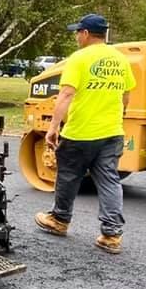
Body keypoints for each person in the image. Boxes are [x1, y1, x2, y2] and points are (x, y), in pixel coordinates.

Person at [34, 14, 136, 254]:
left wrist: (52, 127)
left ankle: (59, 220)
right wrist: (119, 116)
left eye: (77, 32)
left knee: (68, 176)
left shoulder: (79, 58)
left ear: (86, 33)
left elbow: (67, 94)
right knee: (109, 179)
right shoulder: (120, 59)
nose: (76, 36)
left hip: (80, 132)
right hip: (112, 132)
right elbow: (126, 94)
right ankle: (111, 235)